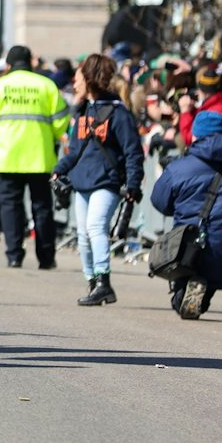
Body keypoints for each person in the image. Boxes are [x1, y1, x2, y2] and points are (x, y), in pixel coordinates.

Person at [150, 111, 222, 321]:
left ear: (195, 136)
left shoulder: (179, 167)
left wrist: (183, 208)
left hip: (194, 253)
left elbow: (159, 201)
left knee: (187, 283)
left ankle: (191, 293)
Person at [51, 54, 144, 305]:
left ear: (90, 79)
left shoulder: (119, 113)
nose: (74, 82)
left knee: (95, 227)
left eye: (78, 77)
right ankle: (92, 281)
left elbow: (133, 152)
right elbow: (75, 150)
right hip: (82, 181)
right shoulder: (83, 111)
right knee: (83, 235)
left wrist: (133, 184)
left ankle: (104, 282)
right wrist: (59, 170)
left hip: (106, 181)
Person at [0, 44, 69, 269]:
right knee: (42, 207)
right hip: (39, 156)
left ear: (8, 65)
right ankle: (46, 258)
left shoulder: (0, 85)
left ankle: (14, 255)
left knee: (11, 206)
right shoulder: (46, 85)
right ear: (30, 63)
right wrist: (53, 135)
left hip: (8, 156)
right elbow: (61, 119)